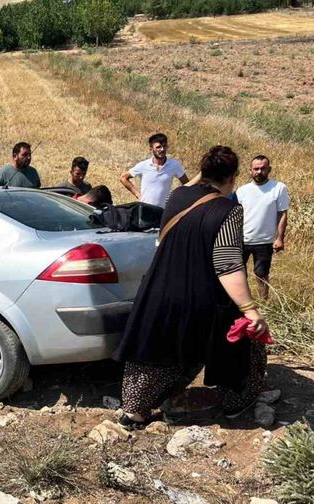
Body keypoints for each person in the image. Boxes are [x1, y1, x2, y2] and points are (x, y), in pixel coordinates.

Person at [113, 146, 269, 428]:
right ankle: (236, 403)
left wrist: (204, 170)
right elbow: (227, 264)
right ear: (233, 177)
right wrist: (250, 309)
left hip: (158, 291)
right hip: (200, 296)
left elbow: (195, 187)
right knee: (243, 341)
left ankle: (134, 411)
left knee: (153, 350)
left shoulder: (177, 196)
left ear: (203, 171)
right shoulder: (229, 210)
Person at [235, 155, 290, 299]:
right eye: (256, 169)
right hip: (242, 240)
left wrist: (279, 239)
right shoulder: (242, 191)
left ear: (269, 169)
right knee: (239, 275)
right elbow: (234, 215)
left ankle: (264, 304)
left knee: (261, 275)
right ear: (250, 171)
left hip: (264, 242)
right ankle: (243, 304)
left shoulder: (278, 188)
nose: (259, 172)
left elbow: (282, 214)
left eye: (263, 168)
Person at [120, 133, 189, 208]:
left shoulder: (174, 165)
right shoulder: (144, 165)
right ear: (151, 149)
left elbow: (187, 183)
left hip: (164, 211)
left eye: (164, 146)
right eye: (158, 147)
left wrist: (175, 196)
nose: (162, 149)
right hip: (145, 209)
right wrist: (138, 194)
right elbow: (123, 178)